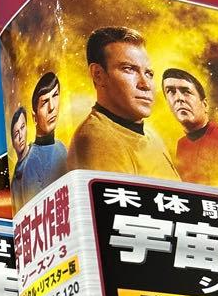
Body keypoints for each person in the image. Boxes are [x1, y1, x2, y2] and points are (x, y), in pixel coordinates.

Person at [69, 26, 179, 180]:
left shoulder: (150, 134)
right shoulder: (99, 141)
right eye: (129, 69)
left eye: (149, 73)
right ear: (98, 75)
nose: (145, 84)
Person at [162, 68, 218, 188]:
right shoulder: (181, 144)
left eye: (186, 91)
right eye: (171, 91)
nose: (179, 98)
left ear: (205, 105)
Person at [13, 72, 68, 203]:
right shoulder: (31, 162)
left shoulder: (61, 147)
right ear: (34, 117)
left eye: (55, 95)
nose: (52, 107)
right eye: (44, 102)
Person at [8, 105, 31, 207]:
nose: (21, 136)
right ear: (13, 142)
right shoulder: (14, 182)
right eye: (16, 134)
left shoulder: (39, 154)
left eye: (22, 127)